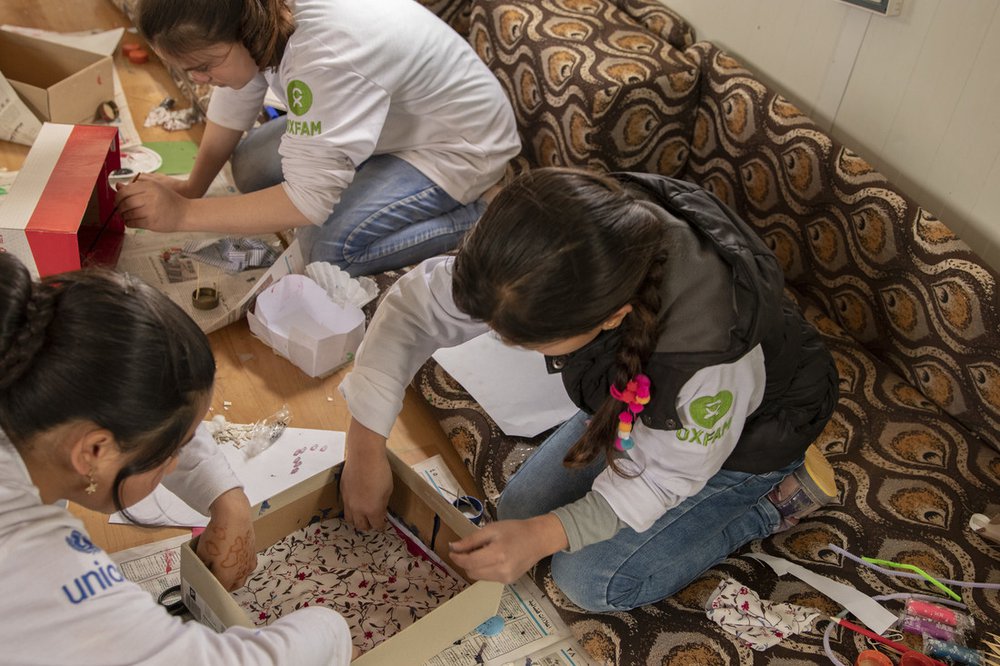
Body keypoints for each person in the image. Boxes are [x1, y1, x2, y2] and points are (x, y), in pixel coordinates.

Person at [338, 168, 839, 612]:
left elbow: (661, 478)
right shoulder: (560, 243)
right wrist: (364, 445)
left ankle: (771, 504)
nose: (506, 342)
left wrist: (541, 536)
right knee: (517, 511)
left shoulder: (704, 364)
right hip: (640, 401)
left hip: (751, 433)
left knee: (590, 581)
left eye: (531, 343)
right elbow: (412, 312)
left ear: (613, 317)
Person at [0, 252, 352, 664]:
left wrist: (227, 497)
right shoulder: (31, 565)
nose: (175, 462)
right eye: (171, 452)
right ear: (93, 452)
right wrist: (334, 628)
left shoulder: (22, 350)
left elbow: (149, 404)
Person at [117, 0, 521, 276]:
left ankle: (480, 211)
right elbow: (238, 92)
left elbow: (307, 202)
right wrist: (191, 188)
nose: (198, 80)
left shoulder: (326, 54)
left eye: (203, 67)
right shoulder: (257, 14)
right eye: (189, 70)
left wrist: (182, 215)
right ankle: (358, 163)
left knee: (326, 250)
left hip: (456, 147)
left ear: (243, 31)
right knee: (248, 166)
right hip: (392, 119)